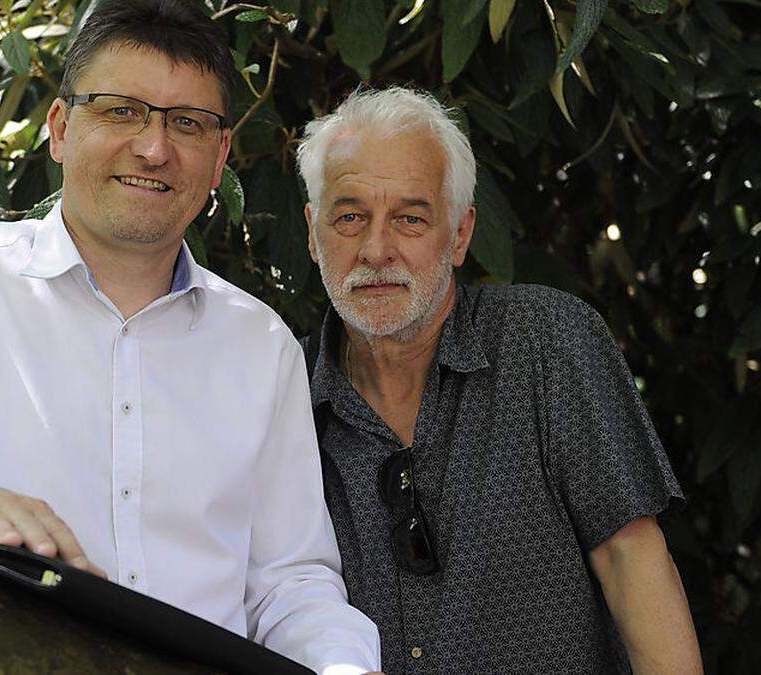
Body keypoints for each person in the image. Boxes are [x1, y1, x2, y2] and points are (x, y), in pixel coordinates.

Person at [0, 1, 381, 672]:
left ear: (222, 153)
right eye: (120, 110)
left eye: (187, 123)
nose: (154, 147)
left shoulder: (262, 346)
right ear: (59, 127)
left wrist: (342, 664)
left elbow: (291, 584)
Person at [296, 87, 703, 674]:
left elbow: (631, 560)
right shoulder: (283, 389)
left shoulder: (545, 341)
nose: (376, 249)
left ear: (460, 235)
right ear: (313, 233)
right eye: (350, 216)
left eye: (411, 218)